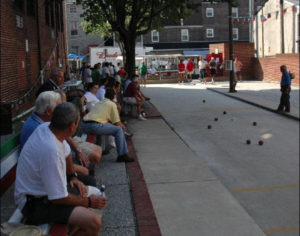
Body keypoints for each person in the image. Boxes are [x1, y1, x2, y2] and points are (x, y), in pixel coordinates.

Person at [15, 103, 106, 234]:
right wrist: (88, 202)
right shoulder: (51, 150)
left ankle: (74, 226)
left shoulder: (47, 127)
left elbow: (67, 152)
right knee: (93, 222)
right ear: (72, 126)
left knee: (90, 186)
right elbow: (58, 198)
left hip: (44, 194)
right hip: (34, 204)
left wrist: (73, 176)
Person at [81, 89, 135, 162]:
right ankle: (122, 155)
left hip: (84, 125)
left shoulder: (100, 102)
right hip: (94, 126)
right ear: (114, 96)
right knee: (118, 130)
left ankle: (102, 149)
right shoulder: (111, 104)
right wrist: (124, 127)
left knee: (103, 125)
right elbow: (117, 123)